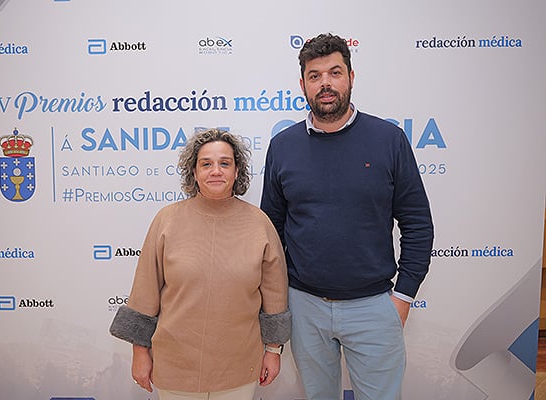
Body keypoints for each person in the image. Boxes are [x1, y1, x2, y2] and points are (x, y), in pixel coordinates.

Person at [260, 33, 434, 400]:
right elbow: (270, 232)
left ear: (351, 77)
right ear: (303, 84)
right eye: (315, 75)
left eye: (334, 73)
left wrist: (402, 297)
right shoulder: (282, 146)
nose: (325, 83)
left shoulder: (389, 139)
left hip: (374, 307)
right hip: (304, 306)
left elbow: (417, 223)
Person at [110, 128, 291, 400]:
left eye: (224, 163)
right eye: (206, 164)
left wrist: (273, 351)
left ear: (237, 171)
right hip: (175, 365)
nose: (215, 171)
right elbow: (145, 291)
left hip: (239, 365)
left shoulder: (259, 224)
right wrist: (140, 353)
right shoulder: (167, 220)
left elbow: (275, 295)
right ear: (194, 172)